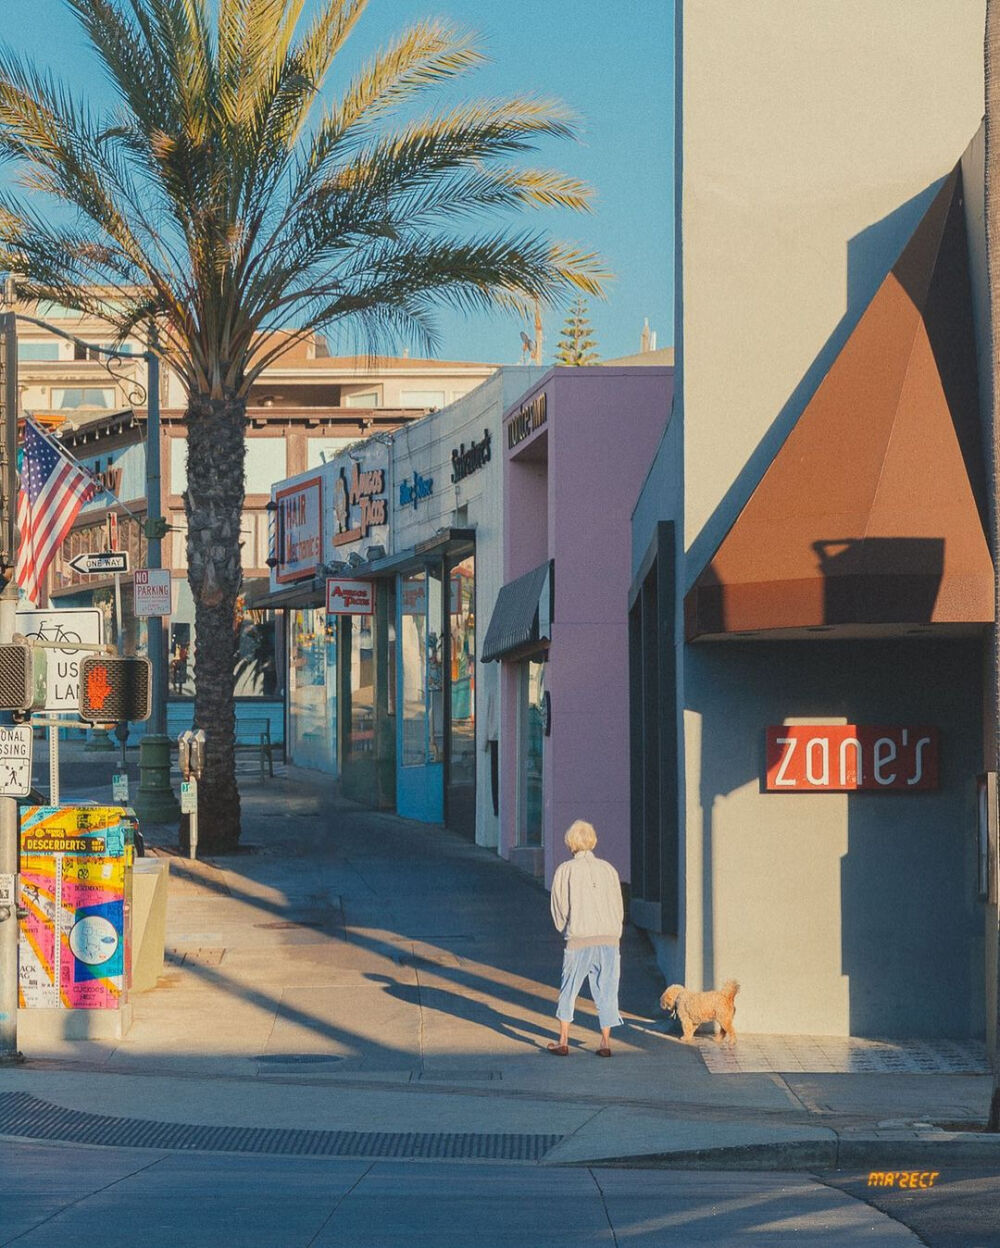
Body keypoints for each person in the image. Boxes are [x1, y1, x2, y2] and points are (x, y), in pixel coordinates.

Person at [548, 819, 624, 1057]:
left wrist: (563, 928)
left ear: (571, 842)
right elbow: (619, 905)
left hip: (579, 937)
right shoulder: (609, 869)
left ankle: (563, 1039)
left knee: (569, 988)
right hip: (609, 938)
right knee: (607, 989)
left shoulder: (565, 870)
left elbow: (559, 907)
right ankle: (605, 1041)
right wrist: (616, 929)